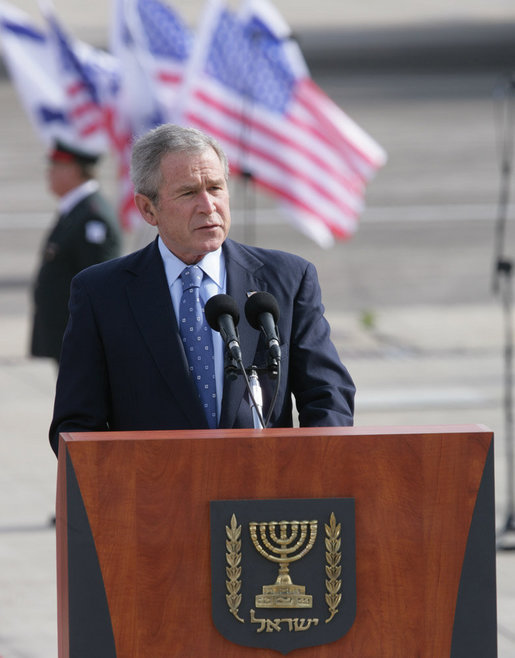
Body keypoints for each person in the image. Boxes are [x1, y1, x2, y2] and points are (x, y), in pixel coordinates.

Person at [49, 124, 355, 456]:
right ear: (148, 209)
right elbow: (76, 425)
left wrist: (310, 472)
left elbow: (329, 396)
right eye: (188, 192)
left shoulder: (287, 280)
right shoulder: (101, 293)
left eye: (215, 187)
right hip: (154, 499)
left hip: (264, 497)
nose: (208, 206)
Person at [30, 140, 122, 364]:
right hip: (65, 333)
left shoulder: (92, 216)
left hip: (79, 337)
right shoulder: (76, 210)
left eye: (55, 167)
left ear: (72, 170)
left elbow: (100, 283)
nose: (48, 174)